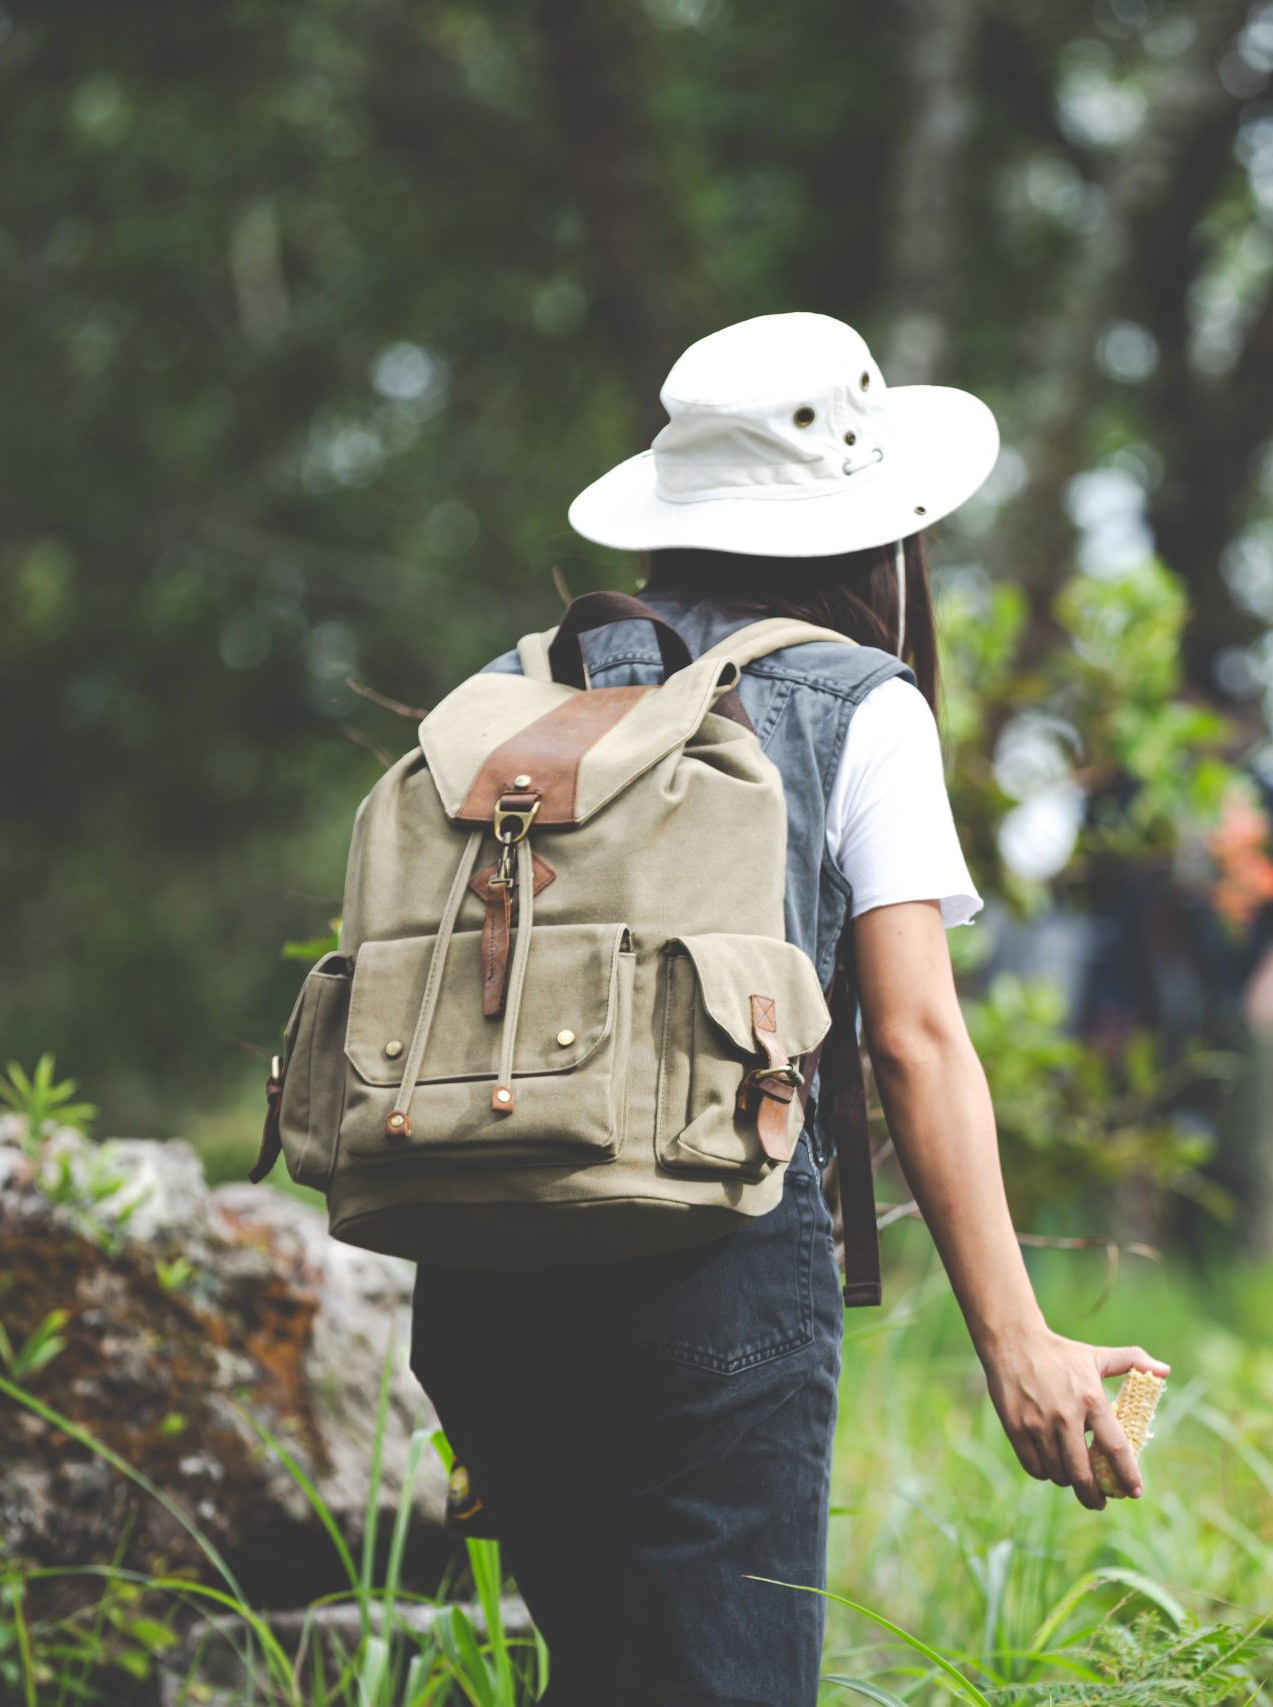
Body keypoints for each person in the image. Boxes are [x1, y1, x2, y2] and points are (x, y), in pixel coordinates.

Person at [408, 312, 1167, 1704]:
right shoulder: (853, 701)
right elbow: (919, 1035)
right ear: (873, 532)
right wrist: (1020, 1338)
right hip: (710, 1268)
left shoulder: (522, 688)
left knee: (603, 1673)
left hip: (480, 1268)